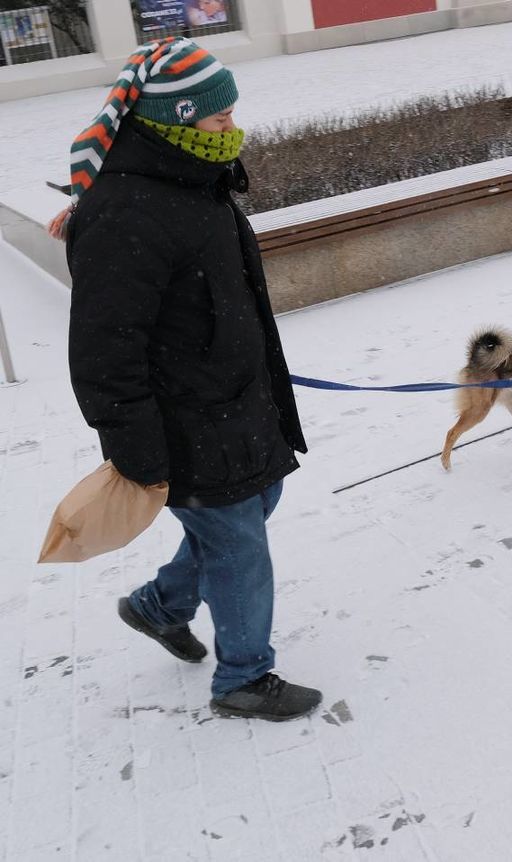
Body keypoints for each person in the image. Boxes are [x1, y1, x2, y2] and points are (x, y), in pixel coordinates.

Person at [49, 37, 321, 721]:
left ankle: (158, 606)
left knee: (254, 509)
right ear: (174, 119)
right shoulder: (124, 212)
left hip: (235, 403)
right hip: (185, 422)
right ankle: (243, 678)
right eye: (218, 117)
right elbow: (105, 348)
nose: (233, 127)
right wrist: (133, 447)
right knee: (239, 548)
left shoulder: (195, 178)